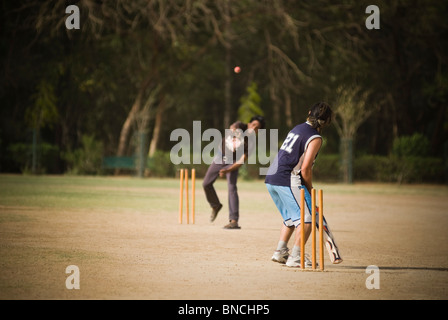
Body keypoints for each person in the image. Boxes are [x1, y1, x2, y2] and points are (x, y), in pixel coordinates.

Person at [265, 102, 333, 268]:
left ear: (309, 112)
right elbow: (305, 168)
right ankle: (296, 257)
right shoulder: (315, 138)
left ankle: (280, 252)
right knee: (306, 220)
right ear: (328, 122)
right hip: (287, 178)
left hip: (272, 177)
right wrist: (310, 189)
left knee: (291, 218)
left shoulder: (297, 128)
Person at [203, 115, 265, 229]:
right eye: (254, 124)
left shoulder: (251, 142)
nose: (254, 127)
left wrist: (228, 169)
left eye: (257, 128)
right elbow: (233, 127)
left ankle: (234, 221)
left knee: (232, 188)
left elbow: (242, 161)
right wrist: (236, 132)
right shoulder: (241, 125)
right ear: (250, 123)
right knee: (206, 184)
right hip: (220, 157)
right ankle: (215, 205)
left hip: (233, 162)